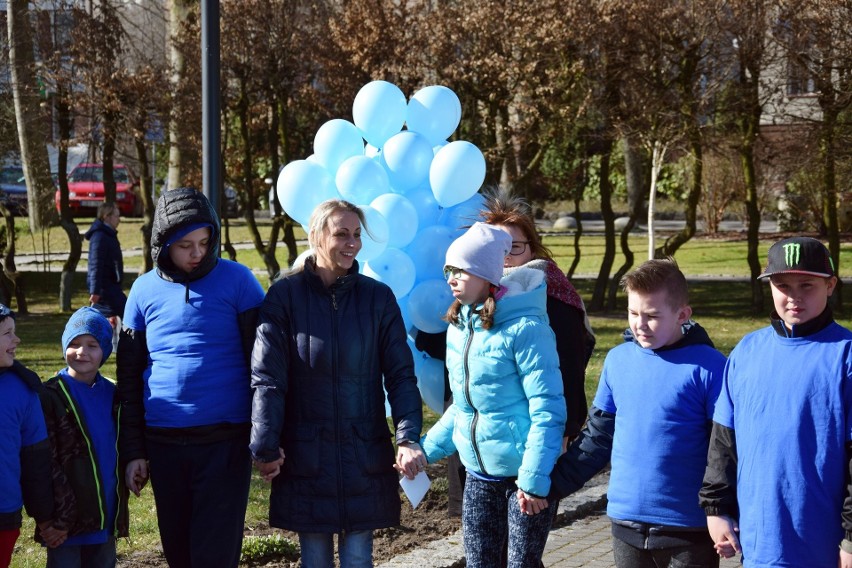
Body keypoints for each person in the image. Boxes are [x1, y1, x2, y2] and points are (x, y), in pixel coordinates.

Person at [250, 198, 425, 567]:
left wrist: (407, 437)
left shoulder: (377, 298)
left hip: (363, 453)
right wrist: (265, 446)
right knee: (314, 559)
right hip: (305, 458)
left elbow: (401, 374)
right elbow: (268, 378)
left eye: (357, 235)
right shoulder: (284, 297)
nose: (352, 243)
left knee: (359, 557)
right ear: (316, 236)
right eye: (341, 234)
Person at [533, 258, 726, 568]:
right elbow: (598, 437)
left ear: (683, 315)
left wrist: (723, 512)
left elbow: (725, 451)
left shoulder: (711, 367)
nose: (639, 324)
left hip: (689, 528)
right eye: (633, 313)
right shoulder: (617, 360)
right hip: (625, 523)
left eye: (652, 316)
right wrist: (550, 485)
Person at [116, 187, 265, 568]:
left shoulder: (240, 281)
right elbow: (129, 379)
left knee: (213, 555)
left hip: (225, 440)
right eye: (185, 245)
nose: (197, 253)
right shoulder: (142, 291)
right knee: (179, 553)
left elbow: (265, 367)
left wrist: (267, 435)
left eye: (204, 242)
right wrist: (134, 451)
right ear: (163, 244)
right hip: (163, 442)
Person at [418, 222, 566, 568]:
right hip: (478, 476)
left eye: (461, 271)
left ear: (487, 275)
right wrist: (424, 451)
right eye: (448, 271)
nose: (451, 279)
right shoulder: (459, 328)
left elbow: (548, 410)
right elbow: (465, 408)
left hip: (524, 482)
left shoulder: (527, 329)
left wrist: (532, 480)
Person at [700, 236, 852, 568]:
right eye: (782, 285)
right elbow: (724, 441)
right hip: (760, 543)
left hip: (825, 546)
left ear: (830, 285)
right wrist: (717, 509)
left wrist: (851, 539)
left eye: (807, 285)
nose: (794, 296)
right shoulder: (746, 351)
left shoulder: (846, 355)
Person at [39, 307, 128, 567]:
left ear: (104, 351)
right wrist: (50, 517)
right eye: (74, 344)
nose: (82, 352)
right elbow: (43, 461)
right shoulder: (51, 396)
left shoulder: (113, 394)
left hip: (104, 512)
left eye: (92, 345)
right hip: (64, 519)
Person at [0, 304, 65, 567]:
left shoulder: (23, 390)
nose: (16, 339)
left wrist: (44, 517)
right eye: (7, 333)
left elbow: (35, 462)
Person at [85, 202, 126, 343]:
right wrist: (94, 291)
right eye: (116, 215)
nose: (119, 219)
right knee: (128, 314)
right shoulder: (100, 237)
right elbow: (95, 265)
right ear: (106, 216)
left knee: (100, 319)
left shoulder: (108, 234)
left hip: (110, 286)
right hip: (105, 289)